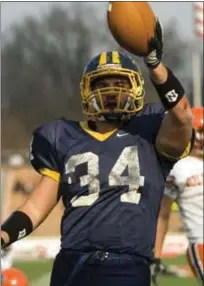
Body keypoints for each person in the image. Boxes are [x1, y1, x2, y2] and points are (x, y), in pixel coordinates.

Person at [1, 20, 194, 286]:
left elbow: (182, 114)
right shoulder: (61, 136)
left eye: (120, 82)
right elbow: (35, 207)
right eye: (103, 83)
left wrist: (154, 64)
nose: (112, 91)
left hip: (127, 264)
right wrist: (5, 234)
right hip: (72, 263)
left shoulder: (151, 129)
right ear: (87, 90)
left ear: (136, 87)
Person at [153, 107, 203, 284]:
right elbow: (162, 215)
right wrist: (157, 255)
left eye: (202, 131)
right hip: (201, 242)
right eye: (195, 132)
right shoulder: (179, 168)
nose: (199, 138)